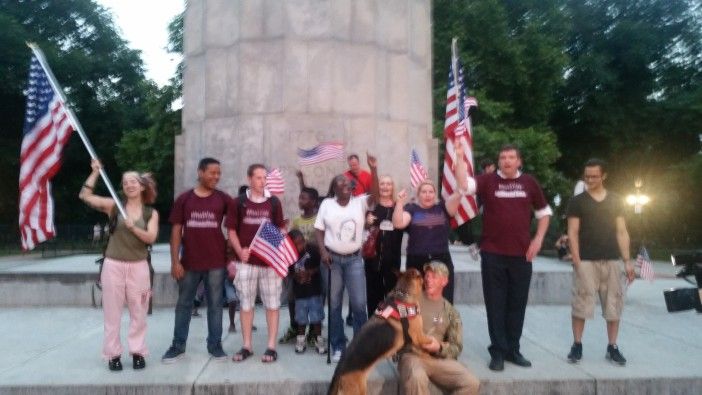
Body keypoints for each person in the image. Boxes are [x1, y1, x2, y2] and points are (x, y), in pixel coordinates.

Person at [463, 144, 552, 371]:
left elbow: (544, 214)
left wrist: (538, 239)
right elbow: (464, 185)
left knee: (516, 305)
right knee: (495, 305)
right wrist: (456, 156)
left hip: (522, 256)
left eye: (511, 157)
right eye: (503, 157)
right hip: (493, 254)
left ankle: (513, 350)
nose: (506, 161)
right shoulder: (487, 180)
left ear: (519, 161)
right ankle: (498, 352)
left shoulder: (529, 183)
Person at [79, 159, 159, 371]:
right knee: (112, 313)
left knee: (139, 313)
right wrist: (95, 172)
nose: (129, 185)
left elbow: (151, 237)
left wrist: (135, 229)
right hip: (113, 265)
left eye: (133, 181)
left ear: (142, 186)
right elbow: (85, 196)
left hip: (138, 266)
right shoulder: (114, 206)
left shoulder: (151, 213)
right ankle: (113, 354)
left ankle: (138, 352)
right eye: (125, 182)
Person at [162, 157, 232, 363]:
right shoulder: (184, 199)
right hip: (189, 262)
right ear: (200, 172)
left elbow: (236, 223)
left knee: (216, 305)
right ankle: (178, 345)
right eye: (212, 172)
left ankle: (215, 345)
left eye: (218, 173)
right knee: (184, 304)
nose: (216, 177)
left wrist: (231, 250)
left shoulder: (223, 199)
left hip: (216, 262)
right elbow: (175, 231)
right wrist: (175, 261)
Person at [565, 158, 635, 366]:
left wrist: (627, 261)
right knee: (581, 305)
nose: (590, 180)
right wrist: (577, 261)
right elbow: (573, 232)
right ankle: (577, 344)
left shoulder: (616, 200)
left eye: (595, 176)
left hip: (612, 260)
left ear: (604, 176)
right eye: (587, 176)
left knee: (614, 305)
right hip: (586, 260)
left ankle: (612, 346)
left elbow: (622, 231)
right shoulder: (577, 202)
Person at [315, 153, 379, 363]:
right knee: (334, 305)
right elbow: (319, 230)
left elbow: (375, 197)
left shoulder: (359, 202)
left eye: (348, 182)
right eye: (340, 182)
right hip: (332, 261)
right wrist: (323, 252)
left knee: (359, 304)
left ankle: (359, 346)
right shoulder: (326, 205)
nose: (345, 184)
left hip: (353, 260)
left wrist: (374, 170)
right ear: (334, 188)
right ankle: (338, 345)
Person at [392, 144, 468, 303]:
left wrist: (460, 158)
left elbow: (461, 188)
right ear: (418, 194)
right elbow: (398, 223)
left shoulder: (443, 208)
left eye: (431, 191)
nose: (428, 195)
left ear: (435, 194)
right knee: (417, 305)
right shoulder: (411, 209)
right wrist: (399, 203)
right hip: (416, 263)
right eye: (424, 191)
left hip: (441, 262)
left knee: (442, 305)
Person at [227, 164, 286, 363]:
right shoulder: (239, 203)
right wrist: (239, 250)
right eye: (258, 177)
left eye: (264, 177)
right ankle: (247, 345)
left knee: (272, 304)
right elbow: (232, 230)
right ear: (249, 179)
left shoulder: (273, 202)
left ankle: (271, 346)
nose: (262, 181)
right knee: (246, 304)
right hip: (247, 262)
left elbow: (279, 230)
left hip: (269, 263)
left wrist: (278, 246)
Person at [398, 261, 480, 395]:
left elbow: (456, 347)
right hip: (413, 356)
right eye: (427, 276)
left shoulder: (451, 312)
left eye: (434, 277)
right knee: (417, 377)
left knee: (471, 382)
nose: (428, 280)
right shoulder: (411, 300)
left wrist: (439, 347)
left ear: (444, 281)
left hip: (439, 360)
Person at [280, 175, 320, 345]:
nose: (300, 200)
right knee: (293, 298)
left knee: (315, 300)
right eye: (299, 197)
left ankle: (313, 332)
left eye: (304, 198)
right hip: (296, 268)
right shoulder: (296, 220)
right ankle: (295, 326)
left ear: (313, 202)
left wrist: (310, 271)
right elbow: (291, 246)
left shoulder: (319, 218)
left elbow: (320, 243)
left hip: (314, 267)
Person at [364, 175, 404, 316]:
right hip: (372, 259)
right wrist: (366, 222)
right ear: (378, 186)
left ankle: (390, 328)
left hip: (392, 259)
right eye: (382, 184)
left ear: (393, 187)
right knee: (373, 296)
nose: (385, 187)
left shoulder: (398, 207)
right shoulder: (371, 206)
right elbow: (361, 230)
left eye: (389, 184)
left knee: (392, 297)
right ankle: (373, 326)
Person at [287, 229, 326, 354]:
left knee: (316, 317)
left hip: (314, 290)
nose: (301, 246)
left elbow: (319, 266)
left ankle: (318, 339)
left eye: (302, 242)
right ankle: (301, 340)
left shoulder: (312, 249)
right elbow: (290, 271)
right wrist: (297, 276)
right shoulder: (289, 255)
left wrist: (309, 273)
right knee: (301, 318)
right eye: (297, 244)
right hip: (300, 293)